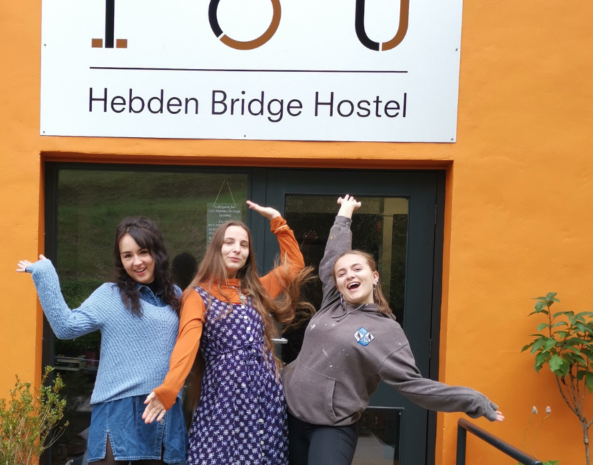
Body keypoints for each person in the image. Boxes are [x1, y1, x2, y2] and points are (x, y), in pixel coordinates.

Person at [283, 196, 504, 465]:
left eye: (357, 269)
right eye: (342, 274)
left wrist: (473, 400)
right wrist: (345, 214)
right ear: (337, 284)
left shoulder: (386, 331)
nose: (348, 275)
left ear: (374, 276)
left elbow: (415, 386)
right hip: (289, 413)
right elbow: (331, 259)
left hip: (331, 427)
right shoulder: (332, 302)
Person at [143, 201, 312, 465]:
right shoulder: (198, 294)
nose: (237, 249)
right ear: (217, 248)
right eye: (229, 242)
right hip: (223, 396)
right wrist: (169, 389)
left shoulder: (256, 289)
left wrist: (279, 221)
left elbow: (295, 265)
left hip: (265, 396)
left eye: (243, 245)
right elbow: (187, 343)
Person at [17, 217, 187, 465]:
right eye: (127, 255)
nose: (136, 262)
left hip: (162, 408)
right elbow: (65, 327)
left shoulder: (177, 296)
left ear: (157, 253)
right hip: (116, 410)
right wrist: (45, 276)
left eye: (143, 252)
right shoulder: (111, 295)